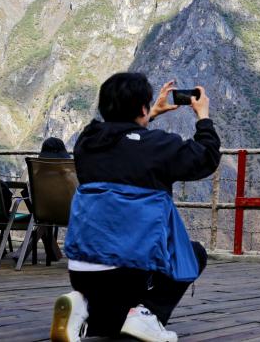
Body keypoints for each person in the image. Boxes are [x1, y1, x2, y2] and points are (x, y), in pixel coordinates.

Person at [50, 73, 221, 342]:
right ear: (142, 108)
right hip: (130, 271)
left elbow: (121, 140)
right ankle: (148, 314)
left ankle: (82, 305)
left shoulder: (87, 142)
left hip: (81, 271)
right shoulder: (159, 146)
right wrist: (203, 116)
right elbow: (207, 157)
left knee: (111, 326)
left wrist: (150, 114)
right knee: (194, 252)